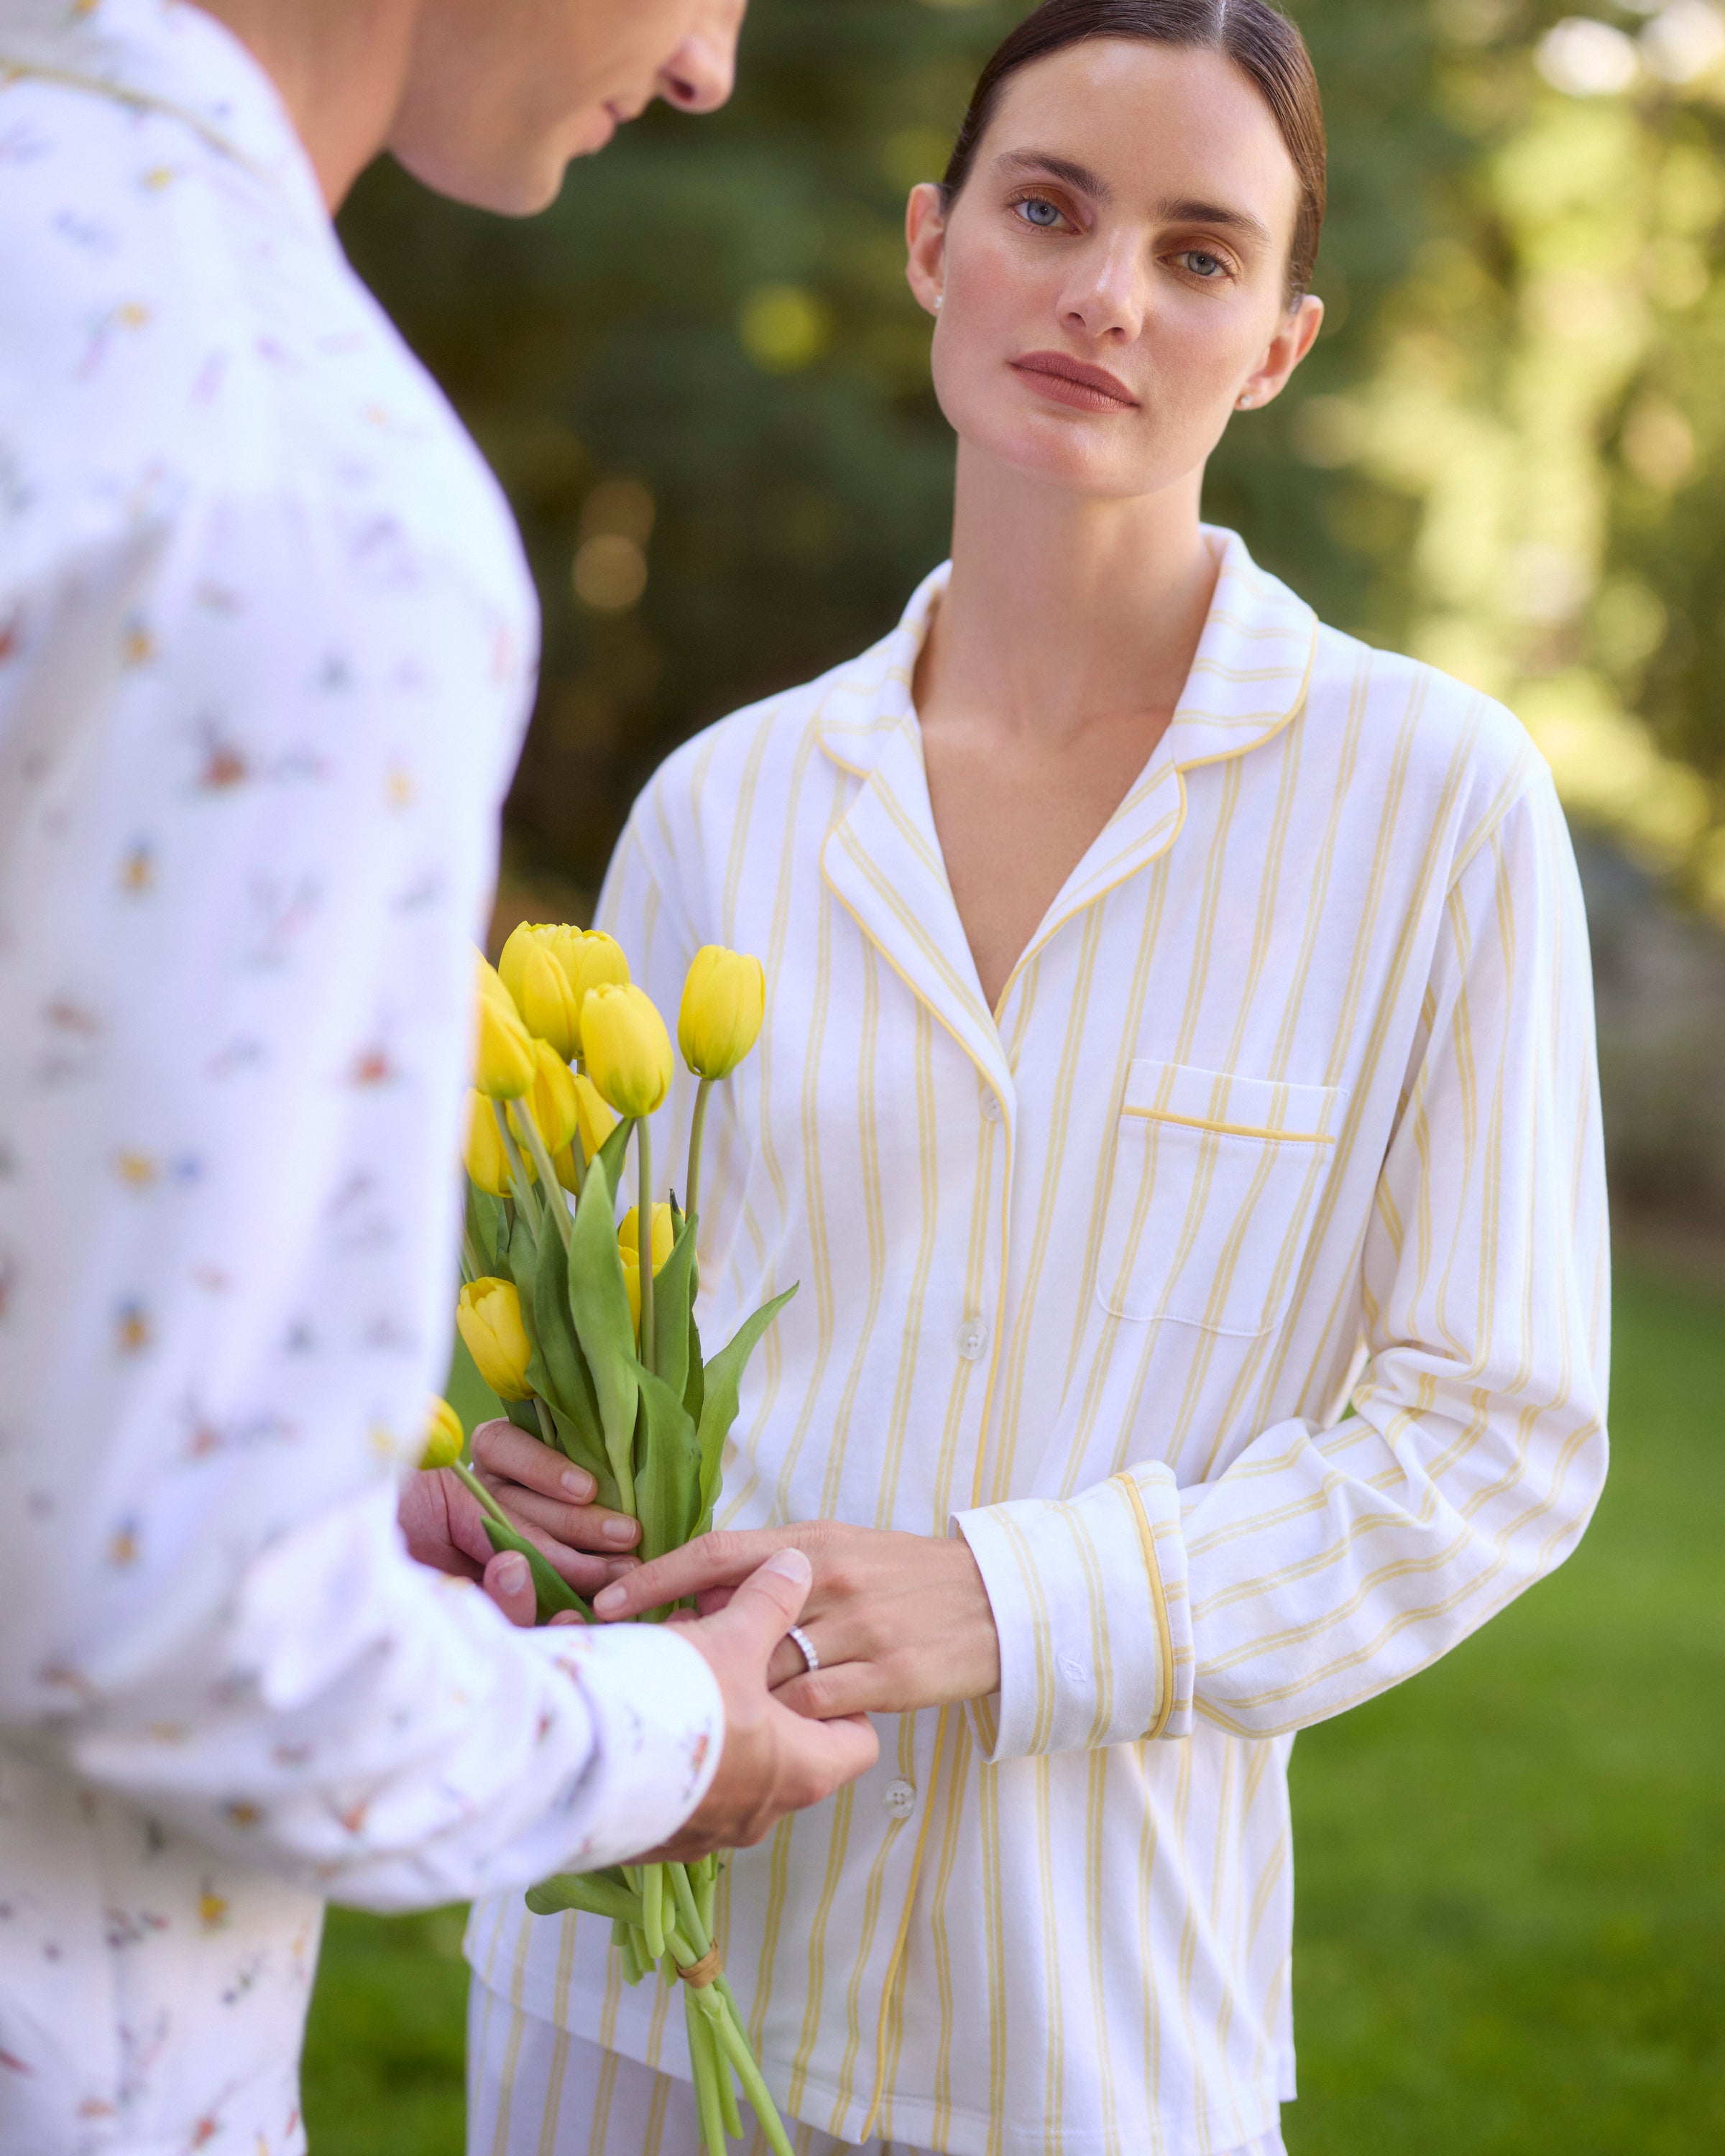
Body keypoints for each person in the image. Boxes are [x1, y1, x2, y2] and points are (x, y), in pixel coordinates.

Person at [464, 1, 1612, 2151]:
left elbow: (1498, 1438)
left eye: (1198, 252)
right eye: (1049, 208)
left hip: (1088, 2043)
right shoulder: (728, 803)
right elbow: (593, 1318)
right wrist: (531, 1479)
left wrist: (1014, 1598)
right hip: (634, 1971)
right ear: (932, 245)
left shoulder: (1437, 808)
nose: (1105, 293)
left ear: (1278, 343)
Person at [0, 0, 877, 2149]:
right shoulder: (305, 493)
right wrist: (663, 1733)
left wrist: (276, 1488)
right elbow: (179, 1641)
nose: (709, 74)